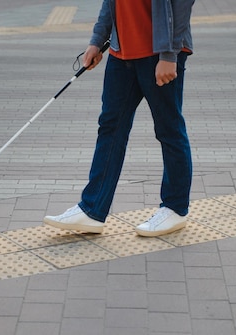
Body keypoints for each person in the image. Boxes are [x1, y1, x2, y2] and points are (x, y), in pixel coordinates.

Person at [44, 0, 195, 237]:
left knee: (169, 129)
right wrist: (97, 40)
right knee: (110, 128)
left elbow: (181, 5)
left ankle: (175, 208)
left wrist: (169, 54)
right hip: (121, 53)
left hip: (159, 54)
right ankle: (92, 210)